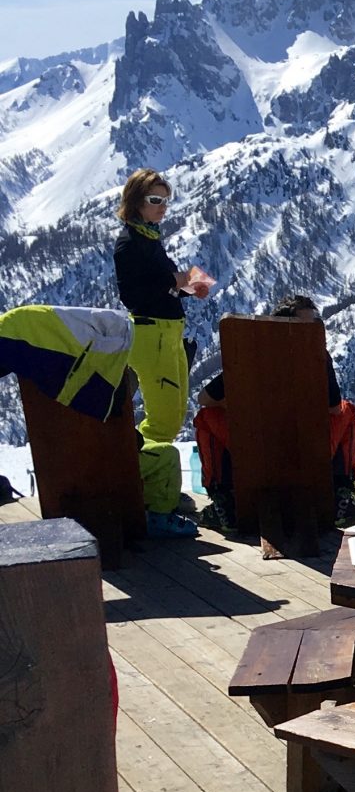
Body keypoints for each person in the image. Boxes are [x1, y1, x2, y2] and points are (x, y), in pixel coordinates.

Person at [193, 295, 355, 527]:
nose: (312, 331)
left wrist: (232, 404)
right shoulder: (317, 357)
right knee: (348, 412)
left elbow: (204, 399)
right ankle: (341, 492)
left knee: (206, 418)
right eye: (308, 325)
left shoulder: (249, 356)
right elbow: (334, 408)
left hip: (252, 447)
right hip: (309, 448)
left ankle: (223, 497)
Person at [113, 168, 211, 539]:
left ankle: (155, 490)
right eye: (155, 200)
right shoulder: (129, 244)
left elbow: (162, 285)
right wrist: (177, 281)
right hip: (151, 335)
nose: (162, 208)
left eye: (165, 201)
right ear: (135, 201)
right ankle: (148, 495)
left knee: (173, 414)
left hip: (169, 333)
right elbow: (134, 296)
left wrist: (187, 288)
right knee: (165, 419)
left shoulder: (150, 239)